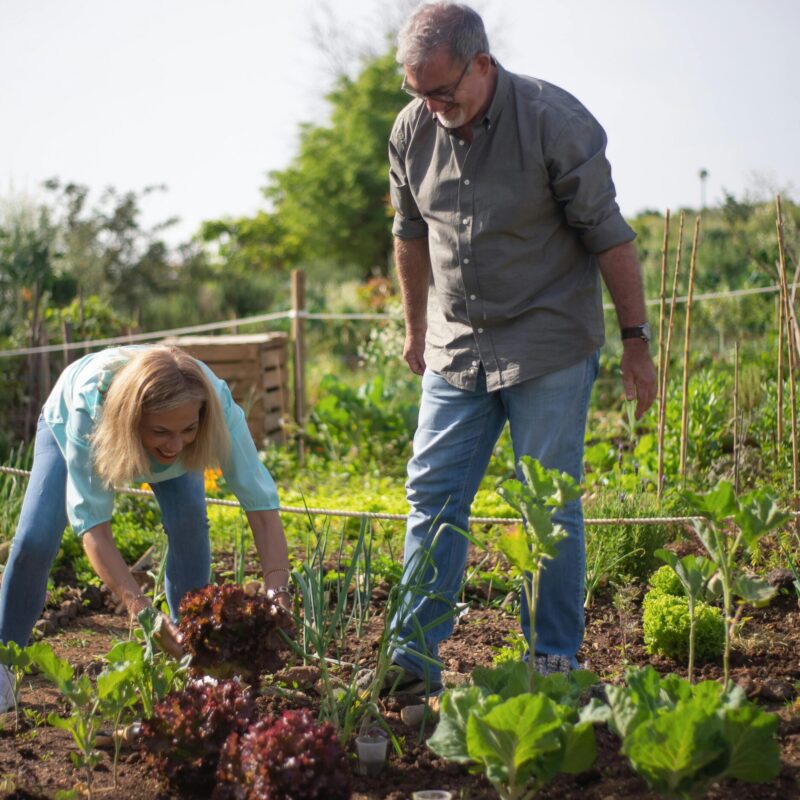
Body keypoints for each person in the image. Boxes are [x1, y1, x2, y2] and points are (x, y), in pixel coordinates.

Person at [386, 2, 657, 693]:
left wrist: (636, 341)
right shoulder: (412, 130)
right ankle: (412, 663)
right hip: (457, 346)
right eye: (418, 93)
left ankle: (553, 662)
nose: (432, 107)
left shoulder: (553, 121)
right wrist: (417, 328)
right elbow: (410, 232)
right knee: (432, 496)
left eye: (443, 91)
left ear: (482, 63)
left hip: (548, 343)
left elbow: (610, 235)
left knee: (546, 504)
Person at [0, 344, 292, 711]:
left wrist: (278, 592)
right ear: (135, 419)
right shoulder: (89, 411)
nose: (175, 443)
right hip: (82, 423)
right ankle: (3, 661)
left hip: (157, 433)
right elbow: (94, 528)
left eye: (188, 428)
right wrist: (142, 612)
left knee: (190, 527)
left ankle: (194, 656)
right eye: (161, 431)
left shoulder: (214, 404)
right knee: (35, 541)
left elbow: (262, 508)